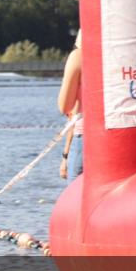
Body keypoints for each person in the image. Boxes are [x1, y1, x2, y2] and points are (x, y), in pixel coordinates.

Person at [58, 30, 83, 179]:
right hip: (124, 134)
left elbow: (65, 107)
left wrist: (65, 156)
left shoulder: (79, 57)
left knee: (79, 198)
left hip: (86, 137)